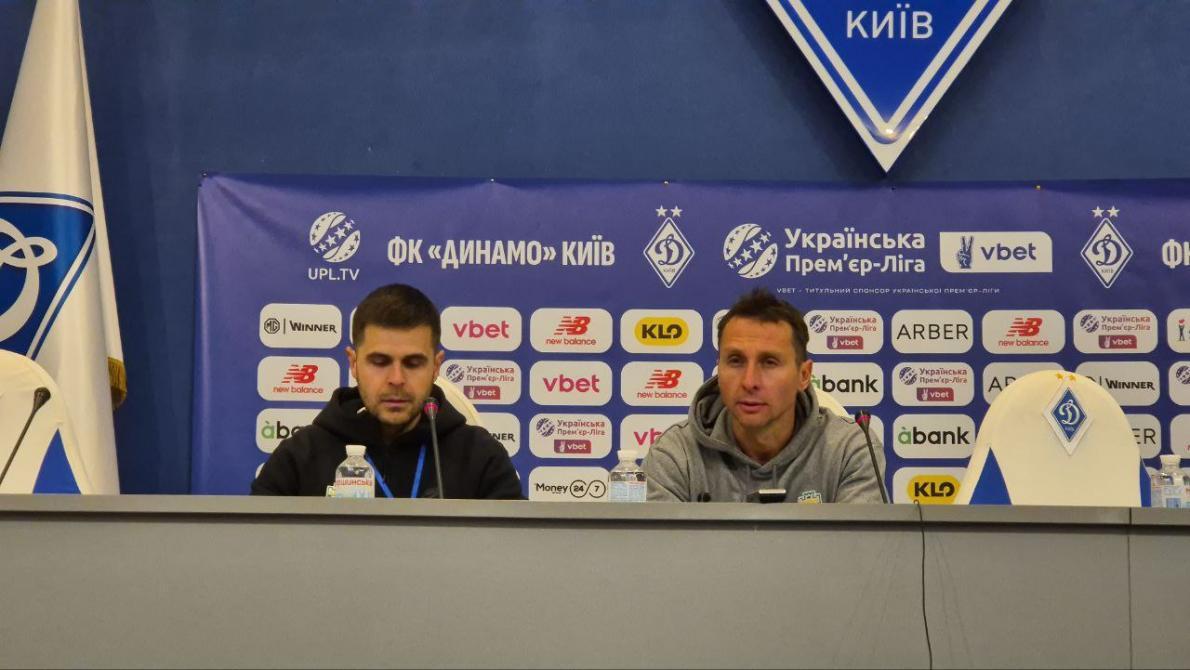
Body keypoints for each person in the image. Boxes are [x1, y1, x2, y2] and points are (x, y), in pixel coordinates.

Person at [252, 284, 523, 499]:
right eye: (380, 362)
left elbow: (516, 548)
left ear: (436, 366)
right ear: (353, 363)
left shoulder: (481, 457)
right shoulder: (300, 457)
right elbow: (255, 546)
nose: (396, 379)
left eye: (413, 363)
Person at [644, 288, 885, 503]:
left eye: (769, 362)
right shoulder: (676, 455)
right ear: (719, 368)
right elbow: (660, 542)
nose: (749, 382)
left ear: (803, 375)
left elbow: (859, 542)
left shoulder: (848, 451)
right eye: (736, 361)